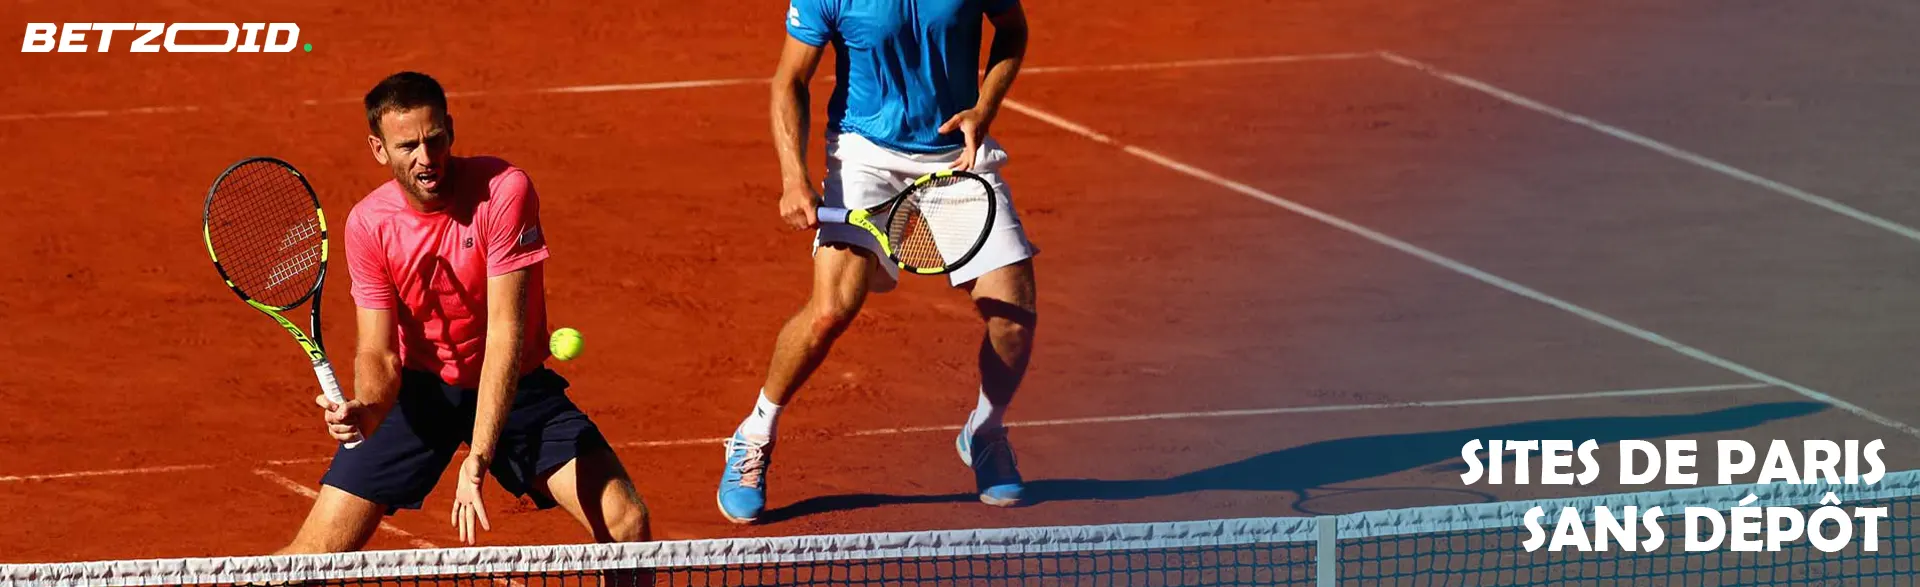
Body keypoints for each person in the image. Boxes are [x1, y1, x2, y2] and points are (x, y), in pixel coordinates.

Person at [276, 71, 650, 551]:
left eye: (434, 140)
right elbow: (379, 352)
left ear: (450, 129)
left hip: (514, 385)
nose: (426, 158)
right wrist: (367, 411)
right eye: (407, 146)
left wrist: (477, 457)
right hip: (420, 396)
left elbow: (504, 332)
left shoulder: (503, 191)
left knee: (627, 525)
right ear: (379, 150)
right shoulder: (369, 224)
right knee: (308, 558)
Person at [717, 0, 1037, 524]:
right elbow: (789, 81)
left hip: (955, 153)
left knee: (1014, 315)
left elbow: (1012, 28)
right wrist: (793, 176)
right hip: (863, 151)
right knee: (830, 311)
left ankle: (985, 430)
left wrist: (985, 108)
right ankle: (753, 434)